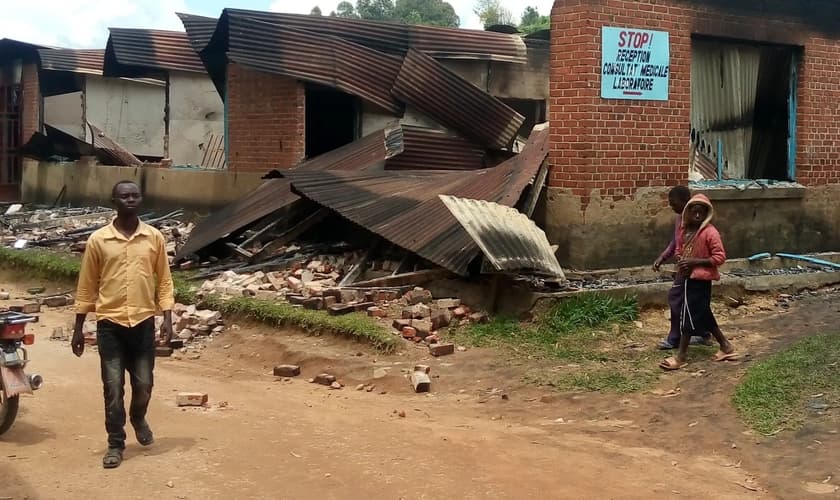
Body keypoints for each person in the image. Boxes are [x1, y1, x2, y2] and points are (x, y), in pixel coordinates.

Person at [72, 180, 174, 469]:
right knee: (113, 387)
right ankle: (115, 443)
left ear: (141, 199)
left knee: (144, 383)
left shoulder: (154, 238)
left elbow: (164, 281)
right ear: (113, 200)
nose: (130, 199)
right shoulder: (98, 240)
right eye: (124, 196)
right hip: (109, 324)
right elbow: (87, 285)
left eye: (135, 195)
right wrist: (79, 328)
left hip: (143, 322)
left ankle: (138, 416)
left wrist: (167, 317)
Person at [660, 194, 737, 371]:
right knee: (704, 314)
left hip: (700, 280)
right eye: (694, 212)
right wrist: (681, 259)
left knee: (687, 317)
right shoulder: (685, 231)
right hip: (687, 278)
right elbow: (679, 249)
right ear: (688, 212)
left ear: (706, 213)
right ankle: (726, 346)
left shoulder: (710, 232)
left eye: (700, 212)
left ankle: (681, 356)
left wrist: (695, 262)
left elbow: (719, 257)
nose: (697, 215)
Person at [654, 186, 712, 350]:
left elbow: (713, 252)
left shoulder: (696, 219)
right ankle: (703, 333)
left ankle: (675, 338)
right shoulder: (680, 219)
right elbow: (676, 242)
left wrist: (695, 262)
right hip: (684, 267)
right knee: (692, 301)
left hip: (694, 268)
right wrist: (662, 257)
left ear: (685, 202)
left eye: (673, 203)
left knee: (678, 299)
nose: (671, 207)